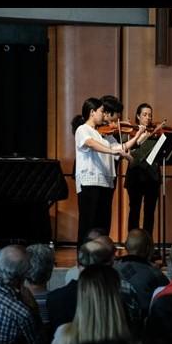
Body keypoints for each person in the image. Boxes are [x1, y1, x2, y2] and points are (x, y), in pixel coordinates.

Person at [72, 97, 136, 244]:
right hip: (89, 182)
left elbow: (121, 147)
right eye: (101, 111)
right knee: (88, 225)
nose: (104, 115)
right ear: (92, 112)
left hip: (106, 183)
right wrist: (111, 151)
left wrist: (137, 137)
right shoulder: (83, 129)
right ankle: (84, 259)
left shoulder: (105, 135)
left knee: (103, 225)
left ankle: (101, 257)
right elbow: (91, 144)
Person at [124, 102, 172, 236]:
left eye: (150, 115)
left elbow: (165, 151)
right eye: (144, 115)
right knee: (134, 210)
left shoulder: (157, 134)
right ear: (138, 116)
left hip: (152, 177)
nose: (148, 118)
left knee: (150, 212)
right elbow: (129, 154)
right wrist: (139, 138)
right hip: (135, 176)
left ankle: (148, 244)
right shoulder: (131, 133)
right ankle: (133, 243)